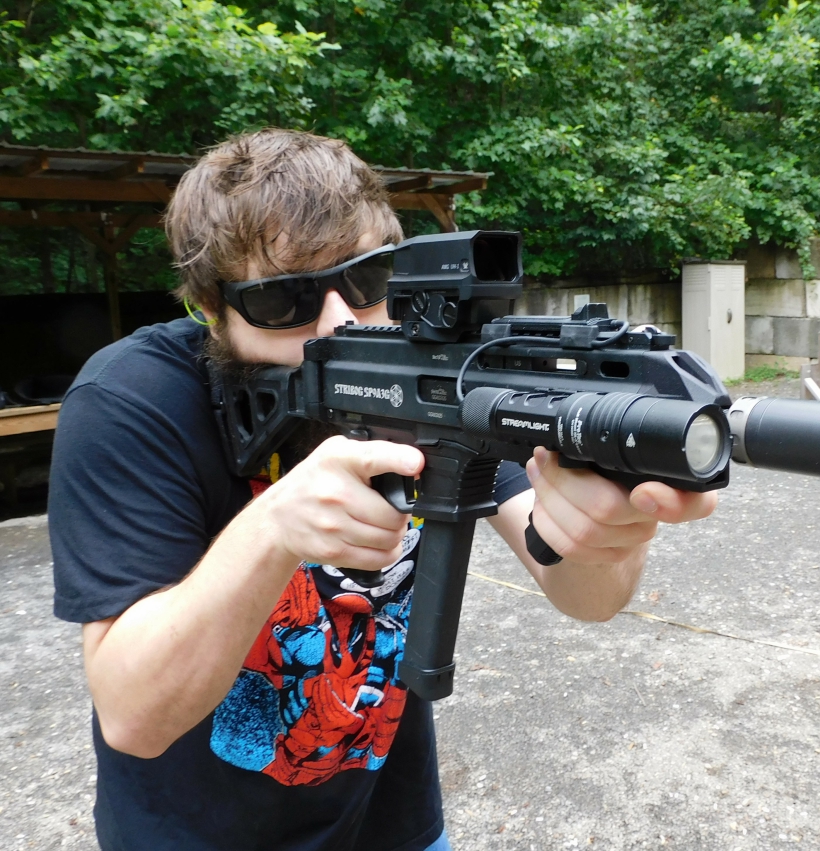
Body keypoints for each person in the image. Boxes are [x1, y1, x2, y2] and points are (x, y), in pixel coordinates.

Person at [48, 129, 718, 851]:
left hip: (392, 828)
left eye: (365, 282)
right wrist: (272, 527)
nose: (340, 320)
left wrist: (602, 535)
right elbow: (132, 715)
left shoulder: (434, 376)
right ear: (212, 307)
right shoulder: (131, 401)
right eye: (284, 300)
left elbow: (589, 598)